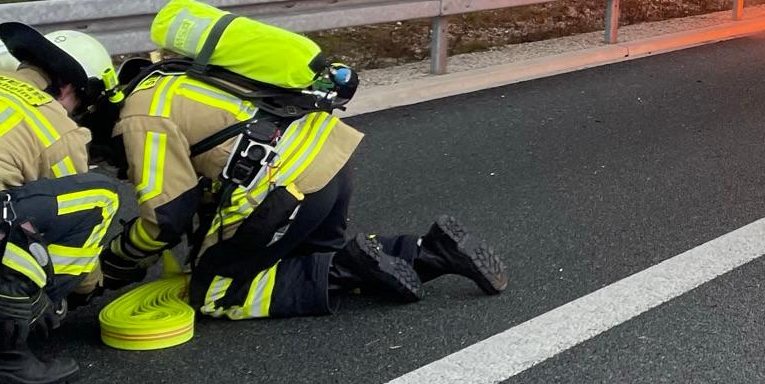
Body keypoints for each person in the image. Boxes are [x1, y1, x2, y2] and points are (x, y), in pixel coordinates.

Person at [98, 48, 506, 321]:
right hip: (329, 156)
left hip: (283, 186)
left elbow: (167, 217)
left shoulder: (140, 114)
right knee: (301, 260)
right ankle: (431, 250)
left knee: (214, 293)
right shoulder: (178, 73)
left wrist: (116, 260)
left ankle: (346, 267)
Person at [0, 23, 127, 384]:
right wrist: (89, 285)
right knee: (99, 196)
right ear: (69, 88)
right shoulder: (55, 123)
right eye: (81, 106)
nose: (77, 115)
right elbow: (74, 223)